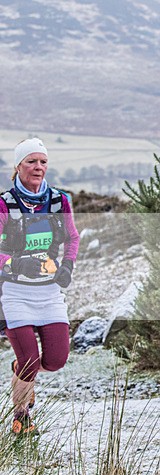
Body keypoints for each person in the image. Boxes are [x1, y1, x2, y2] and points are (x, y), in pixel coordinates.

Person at [1, 137, 79, 435]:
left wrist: (68, 266)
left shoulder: (60, 201)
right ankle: (22, 417)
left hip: (49, 292)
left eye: (43, 161)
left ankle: (22, 373)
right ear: (18, 165)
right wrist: (14, 264)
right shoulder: (5, 203)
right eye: (31, 161)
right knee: (30, 360)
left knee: (56, 360)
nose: (38, 167)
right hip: (15, 292)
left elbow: (72, 238)